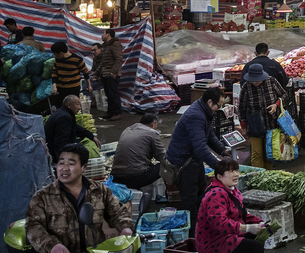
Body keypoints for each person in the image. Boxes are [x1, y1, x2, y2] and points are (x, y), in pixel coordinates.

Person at [195, 157, 271, 253]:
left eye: (236, 170)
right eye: (230, 172)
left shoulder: (232, 190)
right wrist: (247, 228)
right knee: (254, 247)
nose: (235, 174)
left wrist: (260, 223)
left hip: (227, 235)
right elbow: (219, 223)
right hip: (213, 240)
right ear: (219, 177)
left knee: (258, 238)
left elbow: (242, 214)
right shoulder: (215, 194)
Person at [166, 87, 231, 233]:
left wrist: (222, 150)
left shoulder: (204, 111)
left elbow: (209, 135)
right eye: (218, 106)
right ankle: (190, 236)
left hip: (193, 160)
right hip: (184, 162)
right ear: (209, 102)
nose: (219, 109)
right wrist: (218, 166)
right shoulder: (196, 116)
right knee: (190, 200)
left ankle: (202, 229)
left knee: (202, 194)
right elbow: (201, 148)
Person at [238, 63, 286, 168]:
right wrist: (243, 127)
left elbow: (284, 95)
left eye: (258, 79)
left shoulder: (271, 81)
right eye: (253, 80)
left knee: (269, 153)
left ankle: (268, 177)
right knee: (256, 153)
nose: (255, 82)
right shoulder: (246, 87)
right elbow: (241, 108)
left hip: (271, 123)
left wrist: (276, 105)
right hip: (255, 124)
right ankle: (257, 177)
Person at [110, 113, 166, 189]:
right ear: (154, 123)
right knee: (166, 166)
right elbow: (162, 157)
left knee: (147, 165)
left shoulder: (128, 130)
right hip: (135, 177)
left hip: (115, 177)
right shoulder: (152, 133)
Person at [44, 95, 99, 162]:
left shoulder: (64, 113)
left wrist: (92, 136)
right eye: (78, 104)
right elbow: (60, 142)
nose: (79, 108)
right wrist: (63, 161)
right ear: (69, 105)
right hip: (54, 153)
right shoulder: (64, 118)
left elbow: (76, 128)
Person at [51, 41, 90, 107]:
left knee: (73, 107)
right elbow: (54, 73)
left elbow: (85, 72)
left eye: (55, 54)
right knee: (60, 106)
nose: (55, 56)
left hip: (73, 88)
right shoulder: (57, 59)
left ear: (61, 53)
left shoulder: (77, 59)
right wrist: (54, 86)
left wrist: (89, 85)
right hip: (61, 88)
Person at [99, 29, 123, 121]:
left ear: (108, 35)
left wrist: (113, 72)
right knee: (109, 94)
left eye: (103, 33)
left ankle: (117, 112)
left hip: (112, 74)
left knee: (113, 94)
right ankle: (111, 112)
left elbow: (118, 59)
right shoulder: (106, 46)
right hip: (106, 73)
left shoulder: (115, 44)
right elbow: (103, 62)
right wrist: (98, 72)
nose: (102, 35)